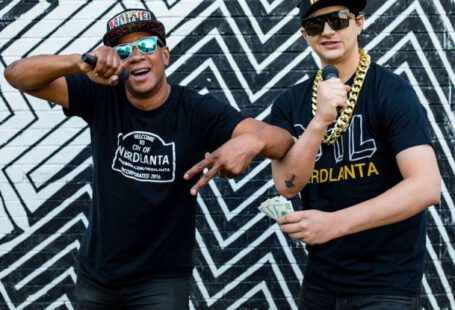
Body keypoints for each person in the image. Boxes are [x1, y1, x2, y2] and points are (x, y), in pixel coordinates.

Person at [4, 8, 294, 309]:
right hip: (97, 277)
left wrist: (251, 140)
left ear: (164, 55)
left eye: (146, 46)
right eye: (124, 50)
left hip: (161, 283)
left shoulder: (196, 110)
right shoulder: (101, 95)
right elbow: (16, 75)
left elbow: (282, 141)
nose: (136, 55)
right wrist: (79, 62)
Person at [270, 0, 441, 309]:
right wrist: (319, 122)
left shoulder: (391, 91)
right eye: (314, 25)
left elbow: (426, 187)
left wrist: (334, 224)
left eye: (338, 20)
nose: (326, 31)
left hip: (387, 283)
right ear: (304, 35)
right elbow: (287, 185)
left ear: (359, 23)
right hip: (321, 282)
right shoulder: (290, 102)